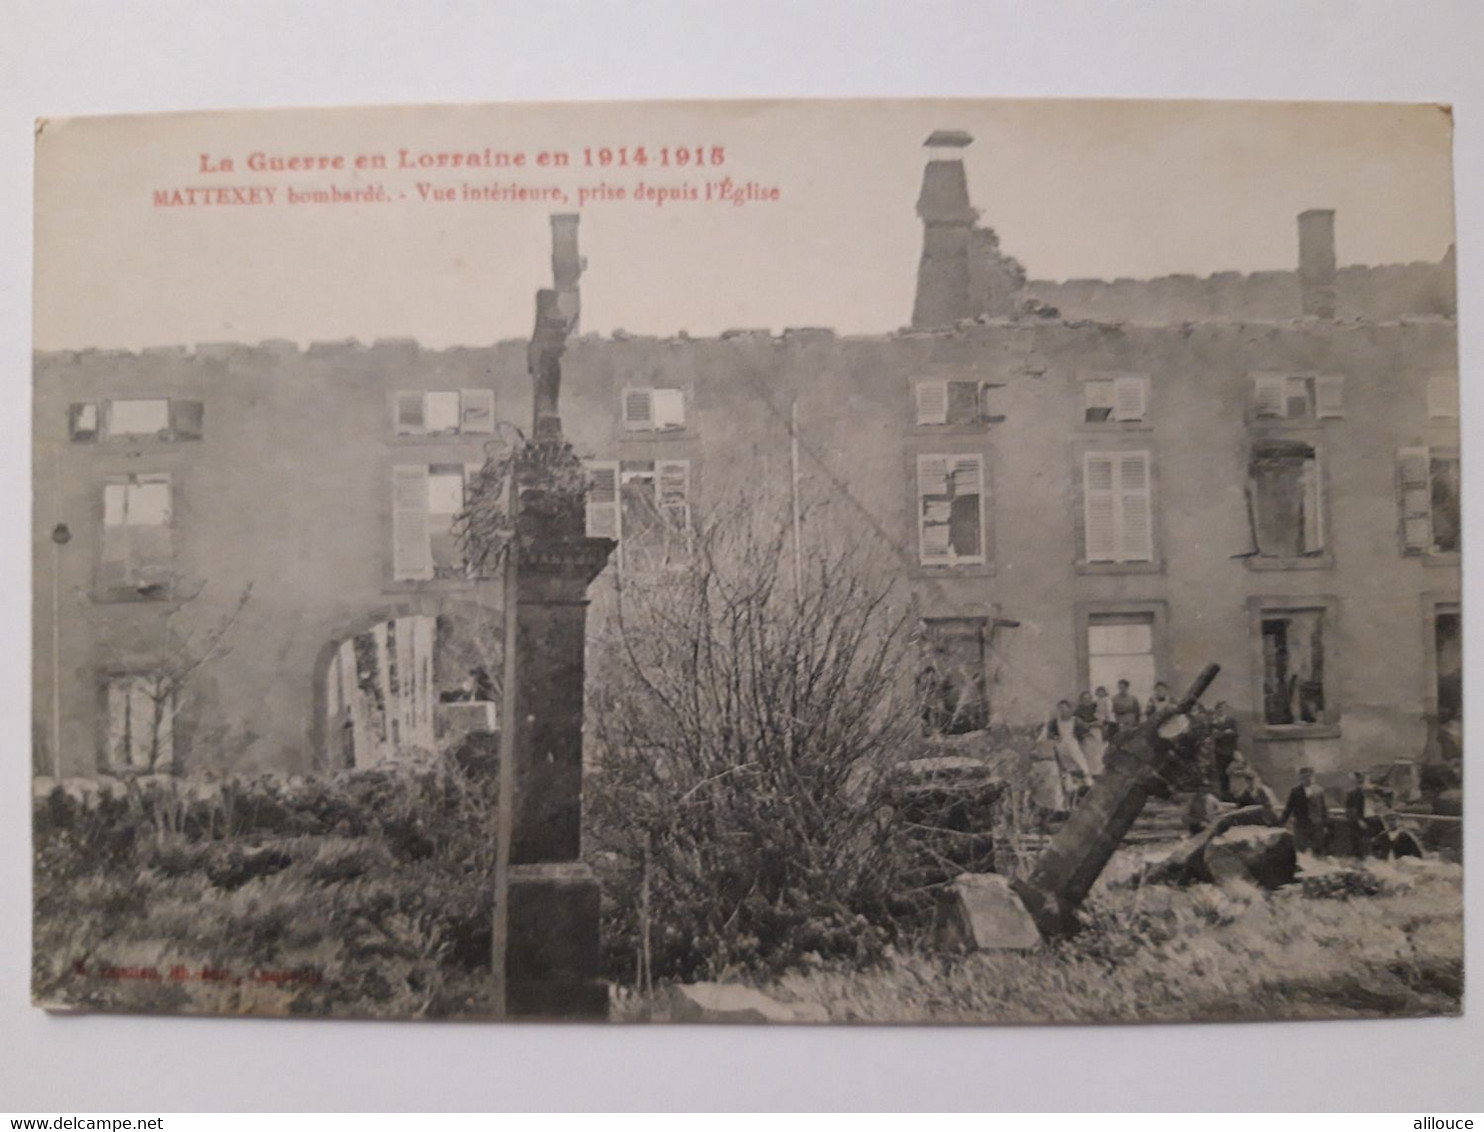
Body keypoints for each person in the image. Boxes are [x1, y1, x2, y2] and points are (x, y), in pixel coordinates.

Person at [1043, 699, 1092, 803]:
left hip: (1073, 745)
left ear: (1070, 709)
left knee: (1081, 765)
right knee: (1067, 768)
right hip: (1061, 747)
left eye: (1065, 709)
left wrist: (1082, 741)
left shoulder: (1075, 720)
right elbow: (1049, 735)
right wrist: (1055, 737)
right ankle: (1071, 792)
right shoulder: (1055, 722)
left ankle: (1087, 788)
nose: (1063, 712)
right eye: (1060, 709)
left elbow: (1085, 732)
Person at [1279, 766, 1332, 855]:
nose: (1308, 779)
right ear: (1301, 778)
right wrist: (1281, 822)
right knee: (1300, 850)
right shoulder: (1295, 791)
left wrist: (1326, 825)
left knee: (1317, 850)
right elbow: (1289, 808)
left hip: (1316, 826)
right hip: (1301, 826)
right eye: (1305, 777)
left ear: (1314, 777)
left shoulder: (1319, 791)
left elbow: (1324, 809)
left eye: (1310, 776)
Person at [1345, 771, 1385, 860]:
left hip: (1374, 820)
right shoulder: (1352, 794)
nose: (1362, 782)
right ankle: (1360, 859)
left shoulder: (1375, 793)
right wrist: (1359, 820)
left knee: (1376, 840)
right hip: (1359, 821)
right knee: (1359, 842)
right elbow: (1350, 810)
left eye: (1364, 779)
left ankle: (1375, 858)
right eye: (1359, 780)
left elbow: (1381, 806)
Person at [1207, 701, 1241, 800]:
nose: (1221, 711)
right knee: (1222, 775)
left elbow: (1235, 734)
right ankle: (1225, 796)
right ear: (1216, 711)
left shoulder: (1231, 720)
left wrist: (1227, 734)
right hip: (1220, 752)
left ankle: (1234, 795)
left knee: (1233, 773)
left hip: (1230, 751)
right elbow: (1213, 735)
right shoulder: (1214, 723)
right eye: (1219, 709)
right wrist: (1223, 733)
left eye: (1222, 709)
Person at [1073, 690, 1106, 777]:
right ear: (1081, 700)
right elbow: (1076, 721)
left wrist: (1089, 724)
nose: (1087, 700)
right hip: (1085, 735)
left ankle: (1097, 773)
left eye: (1088, 698)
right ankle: (1088, 774)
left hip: (1096, 732)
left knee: (1097, 754)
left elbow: (1101, 721)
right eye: (1084, 698)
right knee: (1087, 754)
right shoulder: (1078, 710)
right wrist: (1082, 724)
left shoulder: (1096, 708)